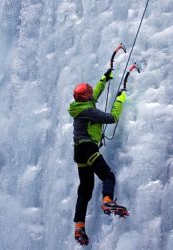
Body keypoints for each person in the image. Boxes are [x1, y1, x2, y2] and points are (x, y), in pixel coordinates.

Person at [68, 68, 128, 245]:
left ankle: (79, 226)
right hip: (88, 148)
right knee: (107, 175)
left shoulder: (79, 107)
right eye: (88, 93)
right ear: (84, 97)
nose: (90, 94)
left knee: (85, 189)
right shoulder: (89, 111)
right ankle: (107, 200)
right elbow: (112, 117)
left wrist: (105, 78)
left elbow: (94, 94)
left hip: (79, 153)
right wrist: (120, 98)